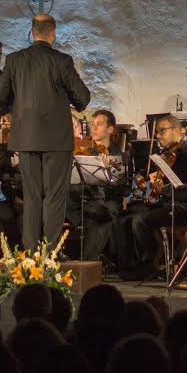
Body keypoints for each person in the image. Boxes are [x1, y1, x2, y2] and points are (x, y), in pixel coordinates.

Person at [0, 14, 91, 249]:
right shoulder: (62, 61)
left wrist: (14, 109)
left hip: (26, 138)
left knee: (32, 196)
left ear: (32, 32)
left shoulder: (15, 60)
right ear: (52, 34)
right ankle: (50, 253)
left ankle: (30, 253)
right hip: (57, 140)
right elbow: (83, 98)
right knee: (55, 196)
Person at [115, 113, 187, 279]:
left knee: (140, 221)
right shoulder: (168, 154)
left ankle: (149, 265)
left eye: (162, 131)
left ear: (177, 131)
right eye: (157, 132)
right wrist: (149, 183)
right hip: (169, 204)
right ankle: (129, 264)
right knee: (124, 217)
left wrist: (163, 191)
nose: (158, 136)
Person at [68, 110, 128, 262]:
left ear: (110, 129)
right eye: (92, 124)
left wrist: (107, 173)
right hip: (85, 200)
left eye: (99, 124)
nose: (93, 128)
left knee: (98, 216)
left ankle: (86, 262)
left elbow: (120, 189)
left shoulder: (119, 156)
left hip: (108, 201)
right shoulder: (85, 152)